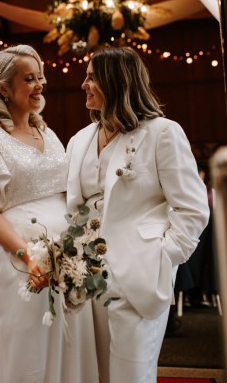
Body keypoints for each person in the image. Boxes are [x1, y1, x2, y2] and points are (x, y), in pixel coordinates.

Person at [66, 46, 210, 383]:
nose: (83, 84)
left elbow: (192, 208)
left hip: (139, 273)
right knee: (94, 373)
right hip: (85, 277)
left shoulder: (162, 133)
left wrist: (162, 256)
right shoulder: (79, 140)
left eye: (91, 77)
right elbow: (69, 205)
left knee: (132, 375)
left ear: (115, 80)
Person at [0, 44, 98, 383]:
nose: (40, 86)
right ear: (4, 89)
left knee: (71, 341)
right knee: (29, 346)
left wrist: (79, 247)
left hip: (67, 258)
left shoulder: (48, 134)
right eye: (30, 79)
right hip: (21, 260)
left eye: (41, 78)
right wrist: (26, 254)